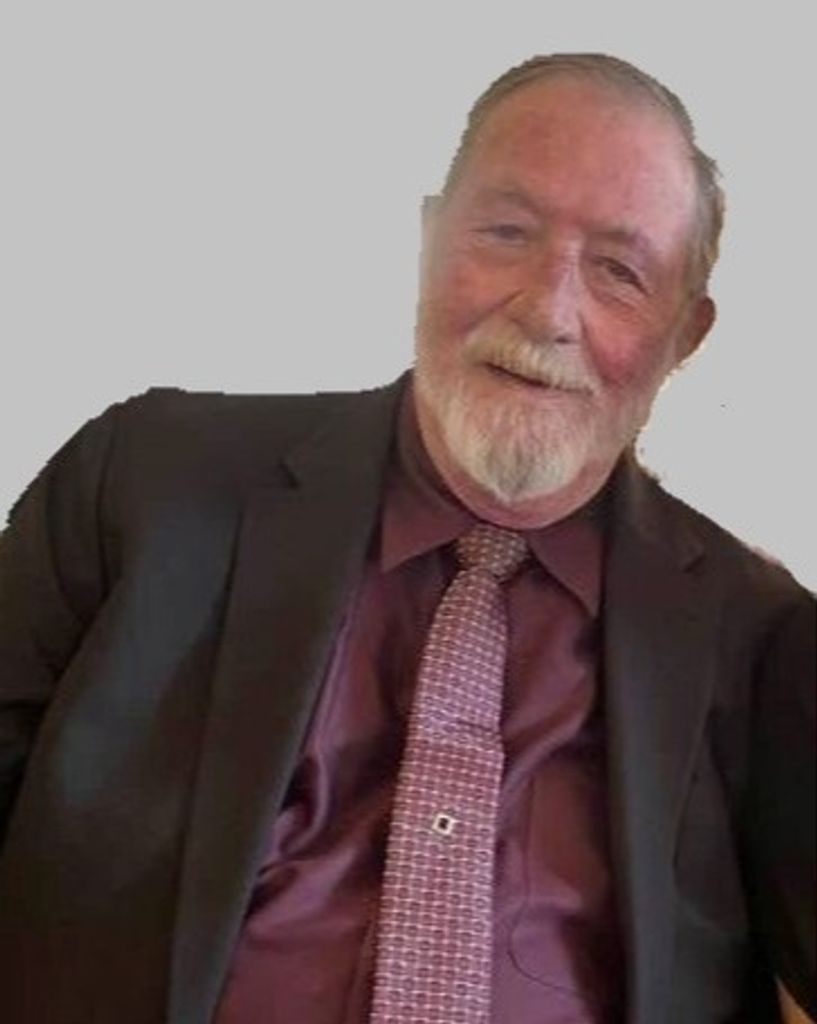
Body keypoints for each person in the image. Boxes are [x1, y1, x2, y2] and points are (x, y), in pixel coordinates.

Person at [0, 53, 813, 1024]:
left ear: (684, 335)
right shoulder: (145, 480)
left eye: (619, 271)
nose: (547, 310)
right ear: (429, 238)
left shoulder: (755, 634)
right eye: (506, 232)